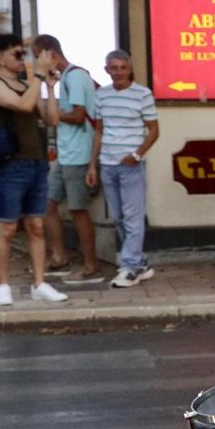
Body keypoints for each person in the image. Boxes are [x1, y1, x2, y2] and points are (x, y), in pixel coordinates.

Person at [0, 34, 68, 306]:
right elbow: (22, 105)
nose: (22, 59)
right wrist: (39, 77)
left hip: (37, 162)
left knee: (36, 225)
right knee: (7, 226)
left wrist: (50, 88)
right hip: (10, 163)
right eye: (17, 55)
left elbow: (51, 118)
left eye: (22, 54)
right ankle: (2, 285)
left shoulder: (27, 84)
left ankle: (40, 282)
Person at [33, 34, 103, 283]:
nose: (36, 63)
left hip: (79, 155)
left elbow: (78, 115)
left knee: (78, 210)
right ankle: (59, 256)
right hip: (64, 154)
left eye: (37, 56)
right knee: (47, 204)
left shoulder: (75, 77)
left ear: (49, 53)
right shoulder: (63, 79)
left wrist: (52, 113)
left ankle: (90, 263)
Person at [93, 49, 159, 288]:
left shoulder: (142, 94)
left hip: (131, 165)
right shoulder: (101, 95)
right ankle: (140, 263)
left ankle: (130, 266)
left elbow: (154, 130)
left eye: (123, 67)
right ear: (107, 70)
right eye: (114, 68)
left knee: (132, 218)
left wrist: (136, 154)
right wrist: (93, 164)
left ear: (130, 69)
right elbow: (98, 130)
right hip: (107, 164)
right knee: (120, 218)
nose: (119, 72)